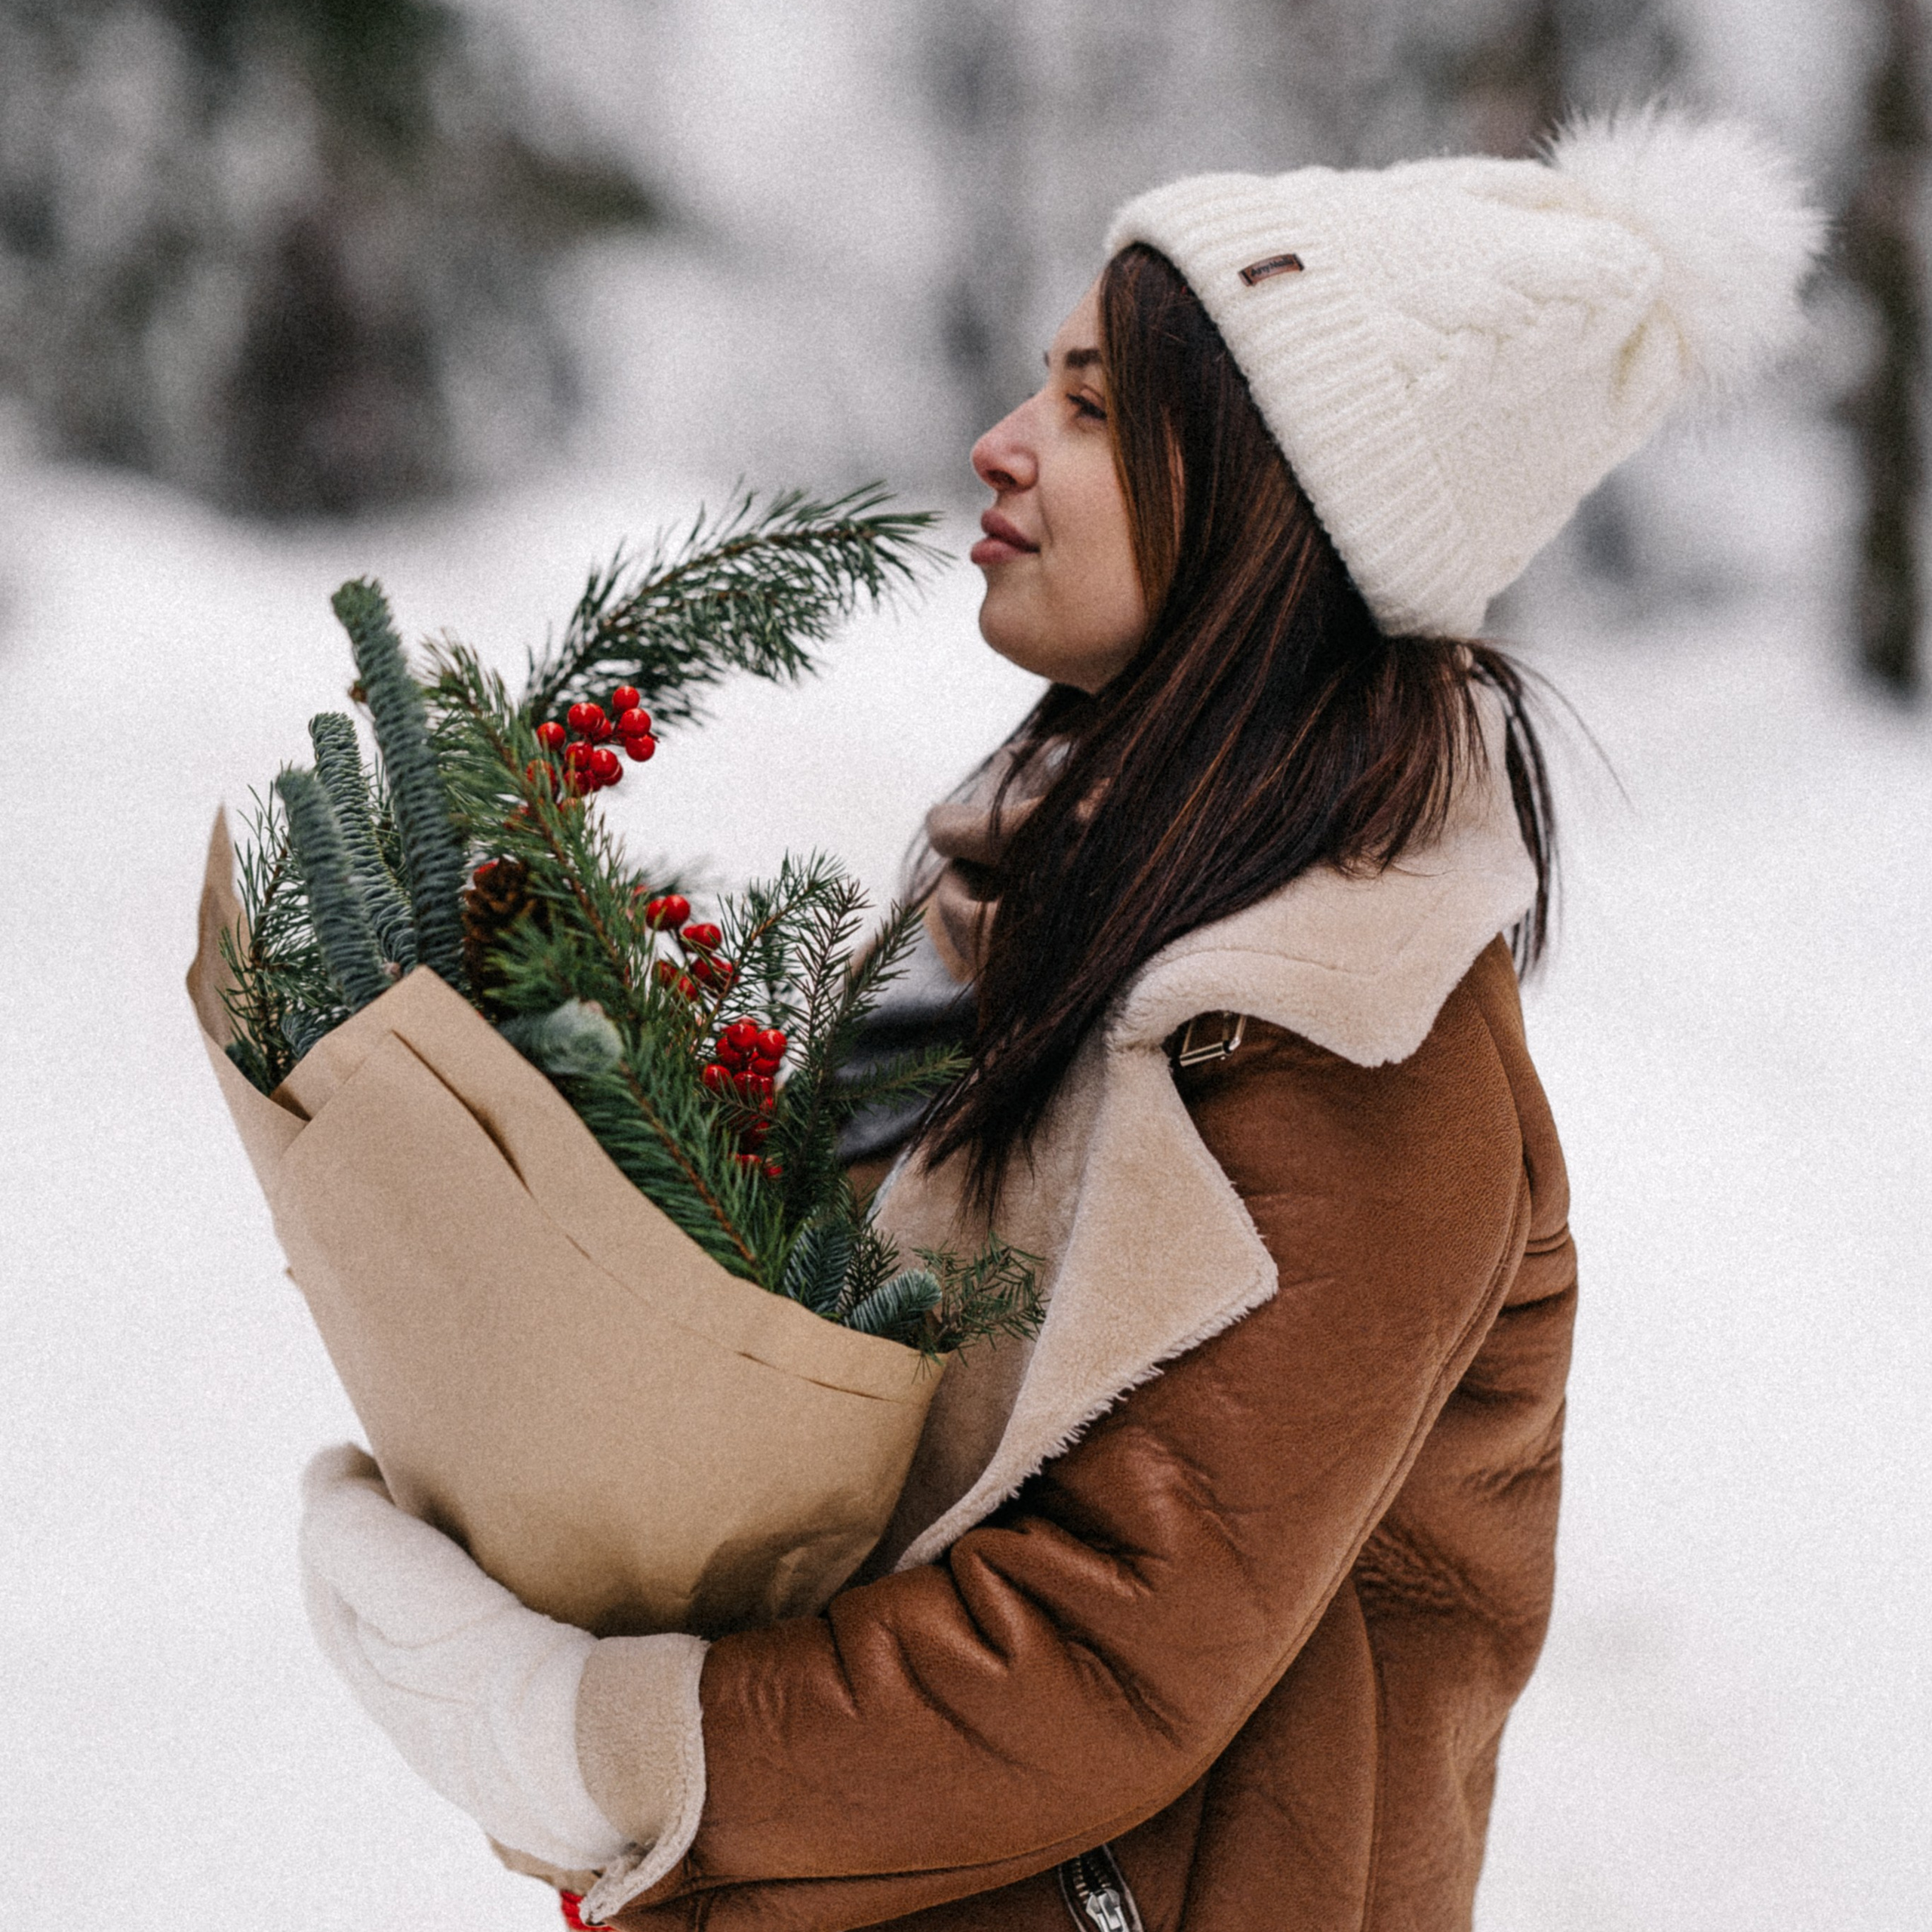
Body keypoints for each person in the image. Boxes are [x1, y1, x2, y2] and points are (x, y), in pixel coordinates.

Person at [297, 109, 1823, 1930]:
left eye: (1092, 407)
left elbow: (1102, 1644)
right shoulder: (1036, 893)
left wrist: (594, 1732)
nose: (1000, 444)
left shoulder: (1351, 1045)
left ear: (1273, 508)